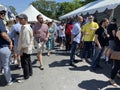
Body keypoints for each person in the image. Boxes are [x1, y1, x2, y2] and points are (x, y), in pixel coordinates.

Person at [18, 14, 34, 80]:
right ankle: (30, 73)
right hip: (27, 48)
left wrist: (21, 49)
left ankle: (26, 75)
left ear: (24, 19)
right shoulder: (24, 27)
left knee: (25, 62)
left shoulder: (26, 28)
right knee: (28, 61)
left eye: (20, 20)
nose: (19, 21)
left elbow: (26, 41)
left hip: (25, 48)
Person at [0, 7, 13, 85]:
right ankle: (9, 81)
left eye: (4, 13)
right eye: (1, 13)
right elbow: (3, 34)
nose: (3, 15)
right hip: (3, 46)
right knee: (6, 65)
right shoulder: (0, 21)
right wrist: (10, 41)